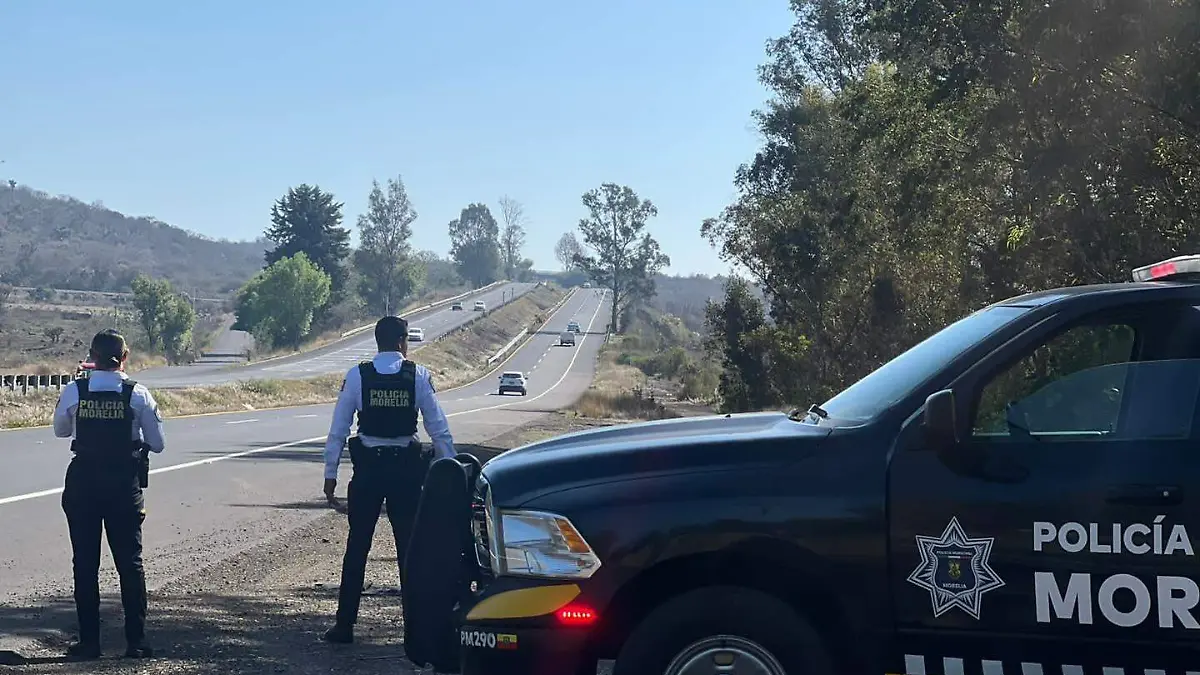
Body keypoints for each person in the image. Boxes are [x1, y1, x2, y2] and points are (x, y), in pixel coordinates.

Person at [322, 315, 455, 644]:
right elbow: (438, 428)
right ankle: (415, 629)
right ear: (400, 342)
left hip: (368, 473)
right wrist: (452, 472)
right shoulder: (418, 375)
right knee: (409, 551)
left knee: (357, 549)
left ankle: (344, 626)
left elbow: (338, 430)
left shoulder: (358, 376)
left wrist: (330, 475)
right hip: (406, 475)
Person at [53, 329, 165, 659]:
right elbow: (158, 443)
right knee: (130, 564)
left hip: (83, 482)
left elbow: (60, 430)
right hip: (122, 484)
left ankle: (89, 643)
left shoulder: (76, 391)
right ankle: (137, 642)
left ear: (92, 357)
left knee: (85, 565)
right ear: (125, 358)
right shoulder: (138, 394)